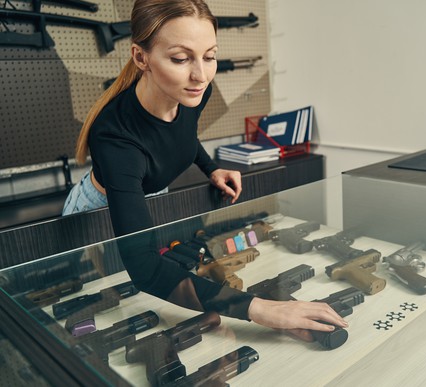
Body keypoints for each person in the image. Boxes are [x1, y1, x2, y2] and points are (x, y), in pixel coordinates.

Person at [62, 0, 347, 340]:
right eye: (181, 59)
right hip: (95, 213)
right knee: (96, 296)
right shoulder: (115, 139)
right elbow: (147, 271)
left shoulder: (194, 91)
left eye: (209, 56)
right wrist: (261, 308)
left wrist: (211, 168)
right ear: (141, 58)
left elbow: (184, 136)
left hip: (149, 195)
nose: (200, 75)